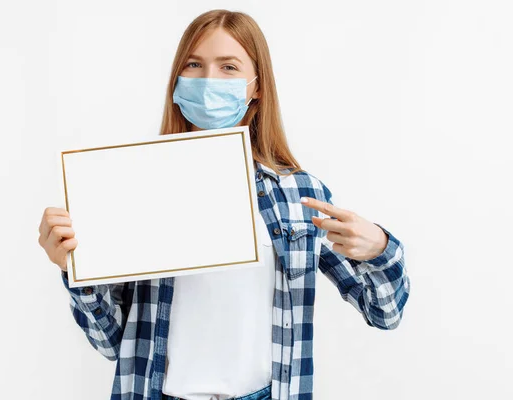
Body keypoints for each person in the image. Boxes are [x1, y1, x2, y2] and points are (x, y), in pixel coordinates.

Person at [38, 9, 410, 400]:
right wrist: (75, 269)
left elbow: (383, 313)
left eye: (228, 66)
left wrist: (381, 249)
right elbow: (112, 343)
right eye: (194, 64)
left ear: (257, 86)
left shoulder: (297, 195)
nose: (208, 80)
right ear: (176, 82)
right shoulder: (135, 188)